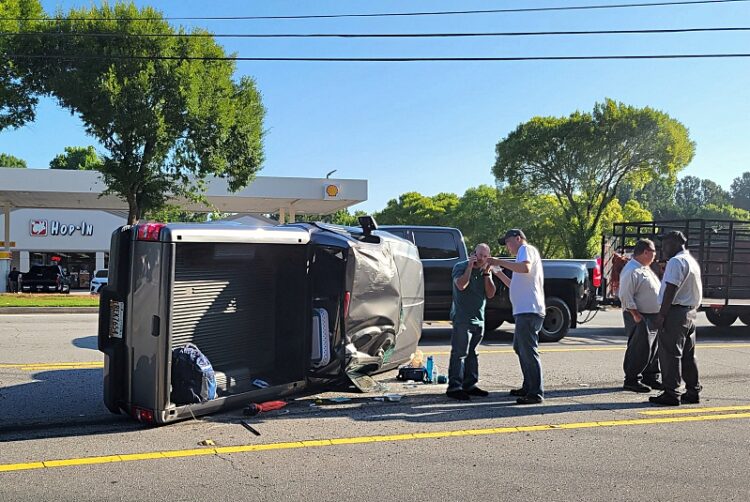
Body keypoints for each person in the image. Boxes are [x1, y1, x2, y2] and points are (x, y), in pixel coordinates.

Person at [489, 229, 545, 405]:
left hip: (529, 310)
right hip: (525, 310)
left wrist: (499, 261)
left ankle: (535, 392)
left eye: (508, 242)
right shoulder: (521, 256)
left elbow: (525, 267)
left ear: (518, 238)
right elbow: (514, 284)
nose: (507, 247)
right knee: (520, 348)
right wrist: (498, 272)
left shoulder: (525, 250)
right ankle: (528, 386)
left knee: (528, 350)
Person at [650, 231, 703, 406]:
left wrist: (662, 315)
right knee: (688, 355)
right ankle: (692, 391)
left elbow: (671, 289)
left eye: (665, 244)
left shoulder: (676, 261)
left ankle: (671, 393)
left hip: (675, 314)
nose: (662, 248)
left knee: (670, 354)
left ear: (674, 243)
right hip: (690, 313)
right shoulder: (690, 260)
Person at [446, 243, 496, 401]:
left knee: (473, 353)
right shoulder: (460, 267)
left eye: (485, 256)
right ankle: (454, 386)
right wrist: (469, 267)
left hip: (478, 318)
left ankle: (470, 384)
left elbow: (490, 294)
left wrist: (487, 275)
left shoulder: (485, 271)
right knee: (460, 353)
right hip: (462, 317)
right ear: (473, 253)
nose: (481, 259)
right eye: (479, 255)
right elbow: (461, 285)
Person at [618, 239, 663, 393]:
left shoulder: (644, 268)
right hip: (639, 315)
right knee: (639, 348)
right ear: (645, 252)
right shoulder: (632, 270)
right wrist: (635, 314)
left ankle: (650, 377)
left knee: (652, 349)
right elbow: (624, 294)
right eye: (653, 252)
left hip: (652, 315)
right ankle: (632, 379)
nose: (655, 256)